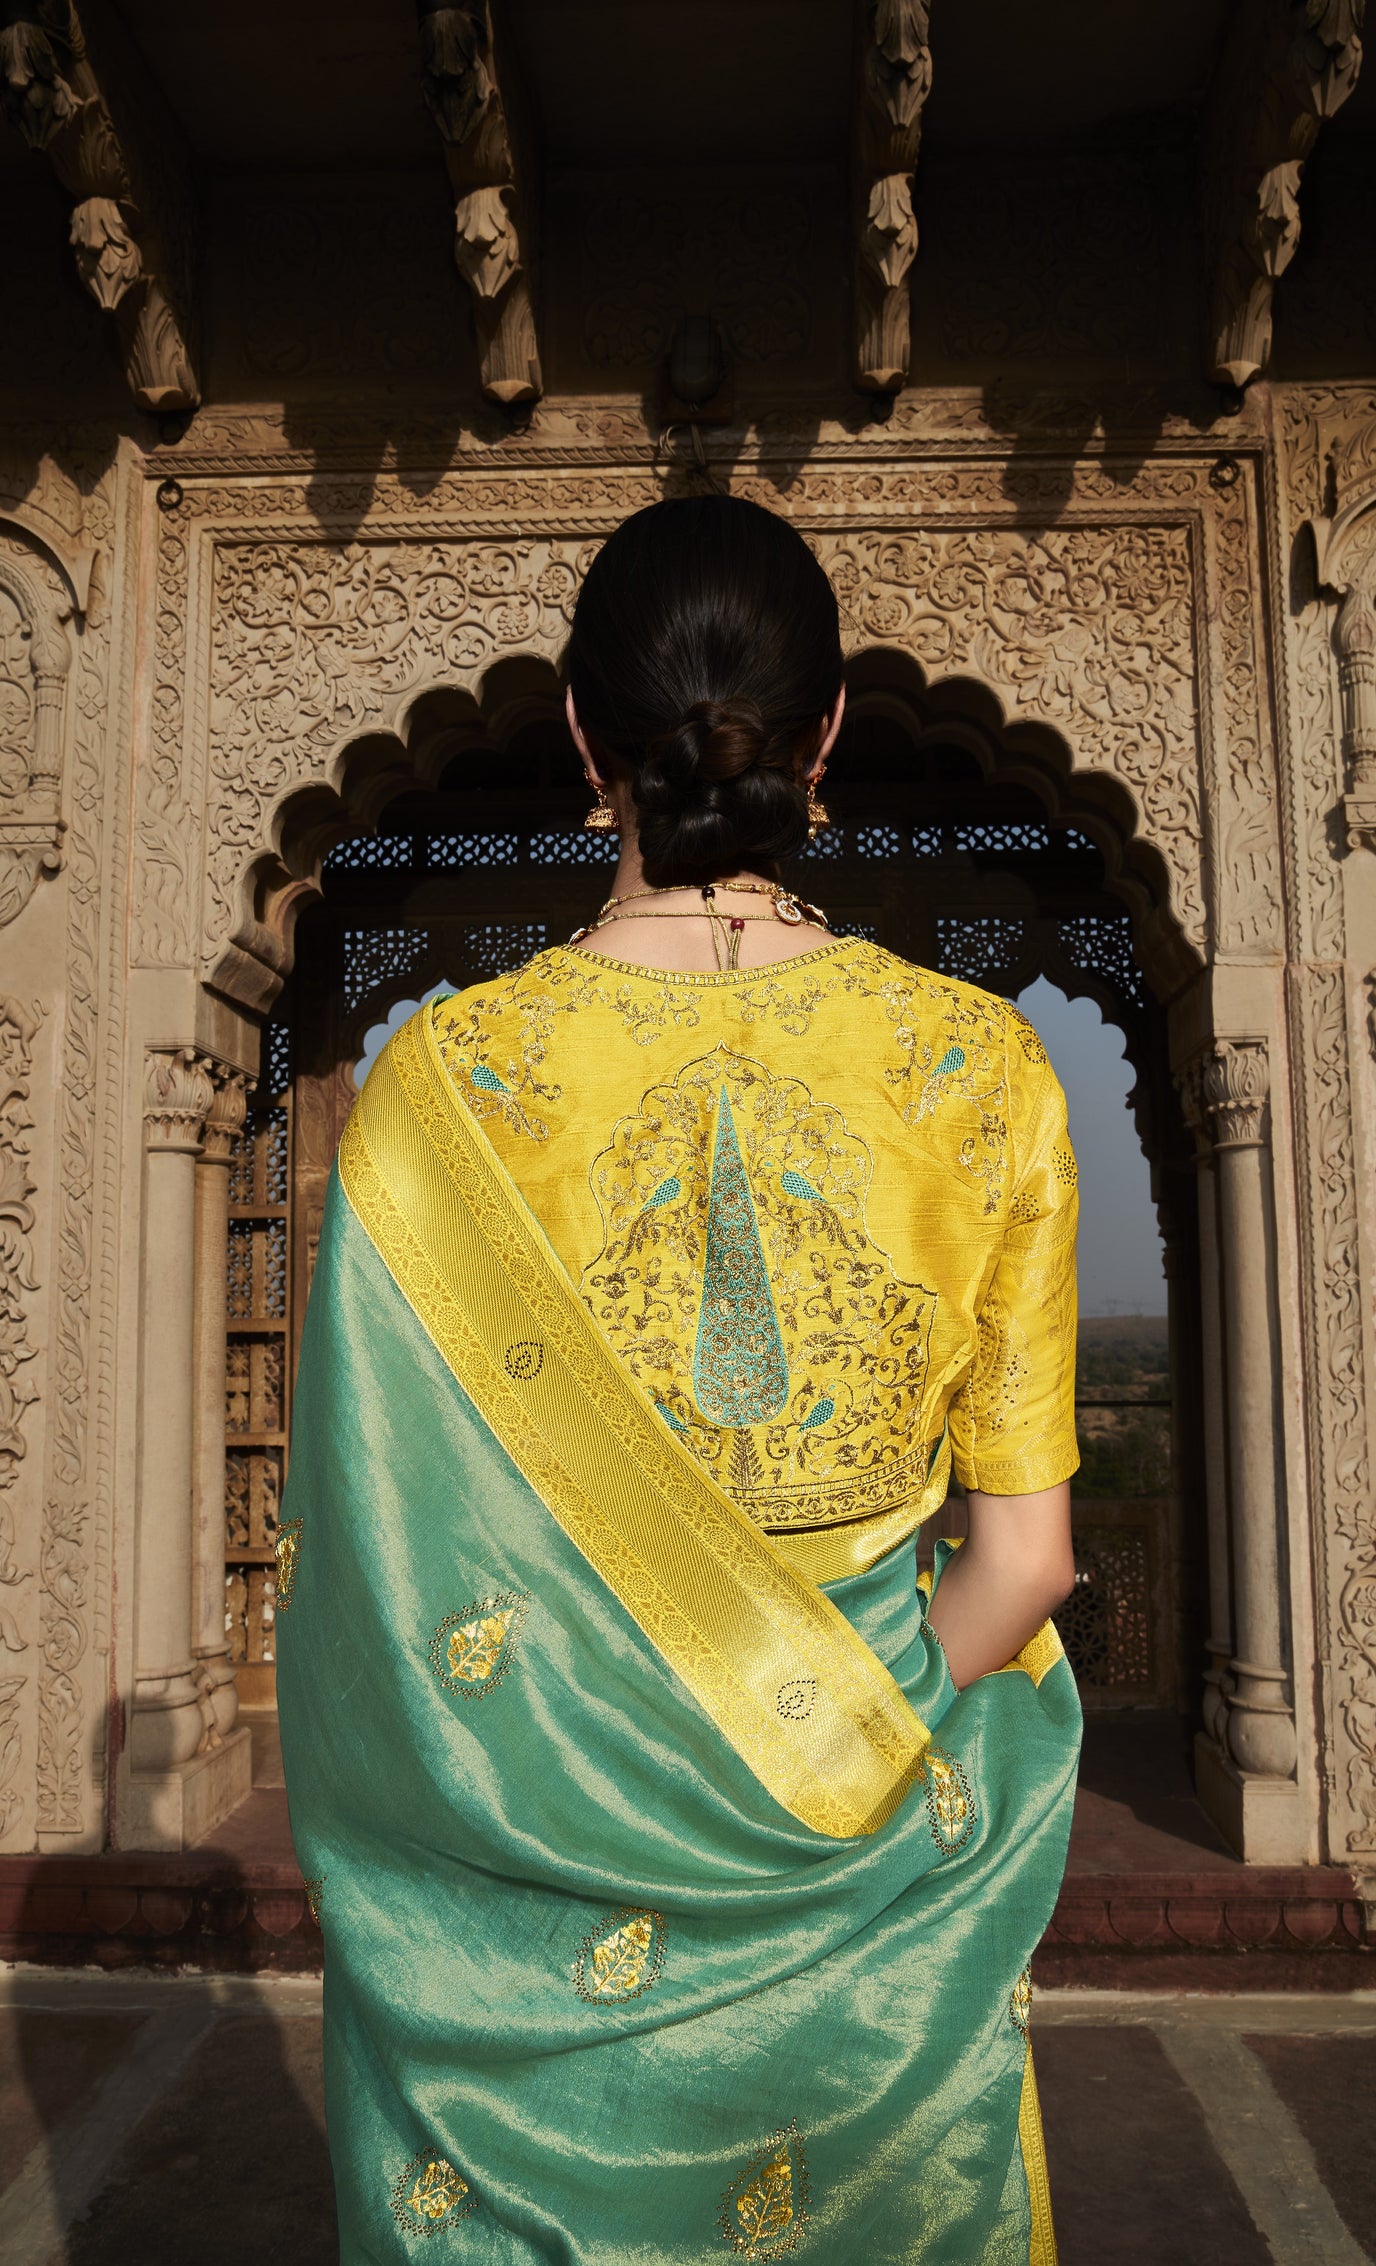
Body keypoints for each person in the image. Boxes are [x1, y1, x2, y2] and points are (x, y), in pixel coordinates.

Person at [277, 493, 1081, 2265]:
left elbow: (376, 1600)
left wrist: (623, 1761)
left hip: (545, 1953)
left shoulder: (441, 1091)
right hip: (876, 1910)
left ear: (582, 734)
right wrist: (828, 1726)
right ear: (827, 736)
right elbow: (1023, 1564)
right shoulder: (983, 1070)